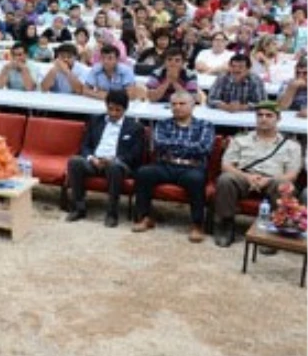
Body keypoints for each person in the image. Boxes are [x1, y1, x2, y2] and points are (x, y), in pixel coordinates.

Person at [213, 100, 302, 247]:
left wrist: (268, 180)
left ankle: (275, 232)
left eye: (269, 115)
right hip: (244, 177)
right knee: (225, 179)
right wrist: (246, 176)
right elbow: (226, 165)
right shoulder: (241, 139)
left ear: (278, 118)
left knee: (284, 185)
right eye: (260, 115)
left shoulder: (291, 145)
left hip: (273, 180)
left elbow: (292, 174)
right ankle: (225, 224)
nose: (263, 118)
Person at [132, 91, 215, 242]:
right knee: (144, 173)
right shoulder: (163, 123)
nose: (177, 107)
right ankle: (144, 217)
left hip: (192, 167)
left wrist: (173, 145)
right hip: (165, 164)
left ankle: (197, 224)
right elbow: (159, 145)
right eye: (174, 104)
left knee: (196, 180)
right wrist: (188, 147)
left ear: (192, 106)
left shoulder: (205, 125)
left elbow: (204, 149)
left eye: (182, 104)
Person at [65, 89, 144, 227]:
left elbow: (135, 155)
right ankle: (79, 207)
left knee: (114, 167)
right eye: (110, 109)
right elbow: (85, 145)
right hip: (95, 161)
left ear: (125, 109)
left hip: (118, 163)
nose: (113, 113)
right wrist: (91, 158)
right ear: (106, 106)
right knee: (74, 161)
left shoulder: (135, 127)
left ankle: (112, 213)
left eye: (118, 110)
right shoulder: (96, 120)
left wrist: (114, 160)